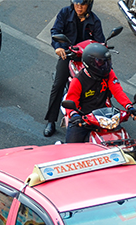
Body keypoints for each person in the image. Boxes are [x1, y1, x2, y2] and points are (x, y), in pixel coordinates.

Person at [43, 0, 105, 138]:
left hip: (87, 60)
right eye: (76, 3)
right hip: (68, 56)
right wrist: (58, 47)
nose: (79, 7)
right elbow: (55, 31)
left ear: (89, 4)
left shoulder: (95, 21)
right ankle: (51, 121)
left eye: (82, 4)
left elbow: (100, 41)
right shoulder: (65, 13)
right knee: (58, 84)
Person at [64, 43, 136, 143]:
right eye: (101, 63)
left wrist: (129, 106)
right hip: (84, 118)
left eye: (107, 62)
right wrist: (75, 116)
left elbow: (117, 91)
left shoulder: (109, 74)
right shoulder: (78, 81)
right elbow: (71, 102)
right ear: (90, 63)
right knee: (71, 149)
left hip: (103, 116)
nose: (106, 65)